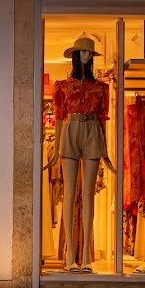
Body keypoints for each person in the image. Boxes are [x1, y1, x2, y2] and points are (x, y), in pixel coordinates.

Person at [43, 36, 113, 273]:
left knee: (88, 195)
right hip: (70, 130)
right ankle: (70, 255)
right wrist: (56, 152)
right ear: (76, 55)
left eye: (90, 52)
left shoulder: (102, 88)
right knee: (70, 195)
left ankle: (85, 258)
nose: (87, 55)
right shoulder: (62, 85)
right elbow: (61, 116)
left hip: (92, 130)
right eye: (83, 51)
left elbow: (103, 119)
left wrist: (105, 150)